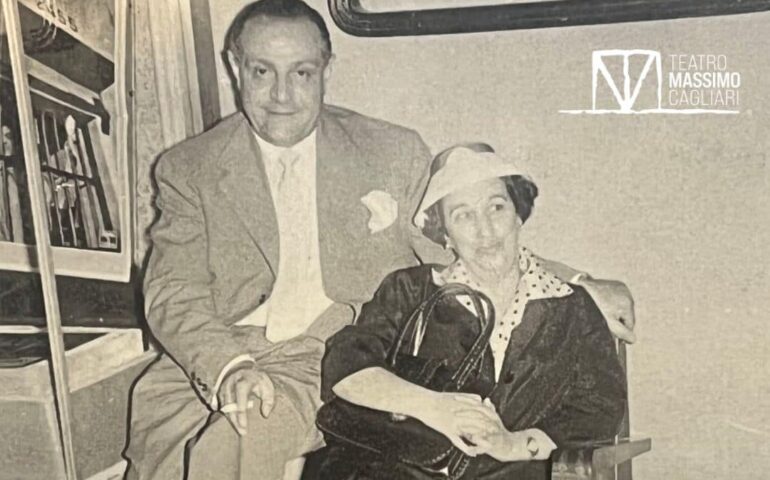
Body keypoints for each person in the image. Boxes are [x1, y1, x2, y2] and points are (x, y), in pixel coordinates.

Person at [124, 1, 635, 479]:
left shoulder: (389, 150)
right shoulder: (189, 167)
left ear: (327, 71)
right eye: (262, 72)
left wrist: (578, 281)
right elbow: (173, 292)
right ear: (235, 69)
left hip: (326, 355)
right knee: (165, 459)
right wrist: (228, 368)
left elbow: (464, 240)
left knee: (234, 442)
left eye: (301, 73)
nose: (281, 95)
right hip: (214, 355)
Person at [316, 143, 627, 479]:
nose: (485, 230)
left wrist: (514, 444)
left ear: (518, 214)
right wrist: (433, 407)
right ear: (445, 235)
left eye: (496, 207)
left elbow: (598, 410)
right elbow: (345, 369)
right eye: (463, 215)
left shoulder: (572, 307)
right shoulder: (410, 291)